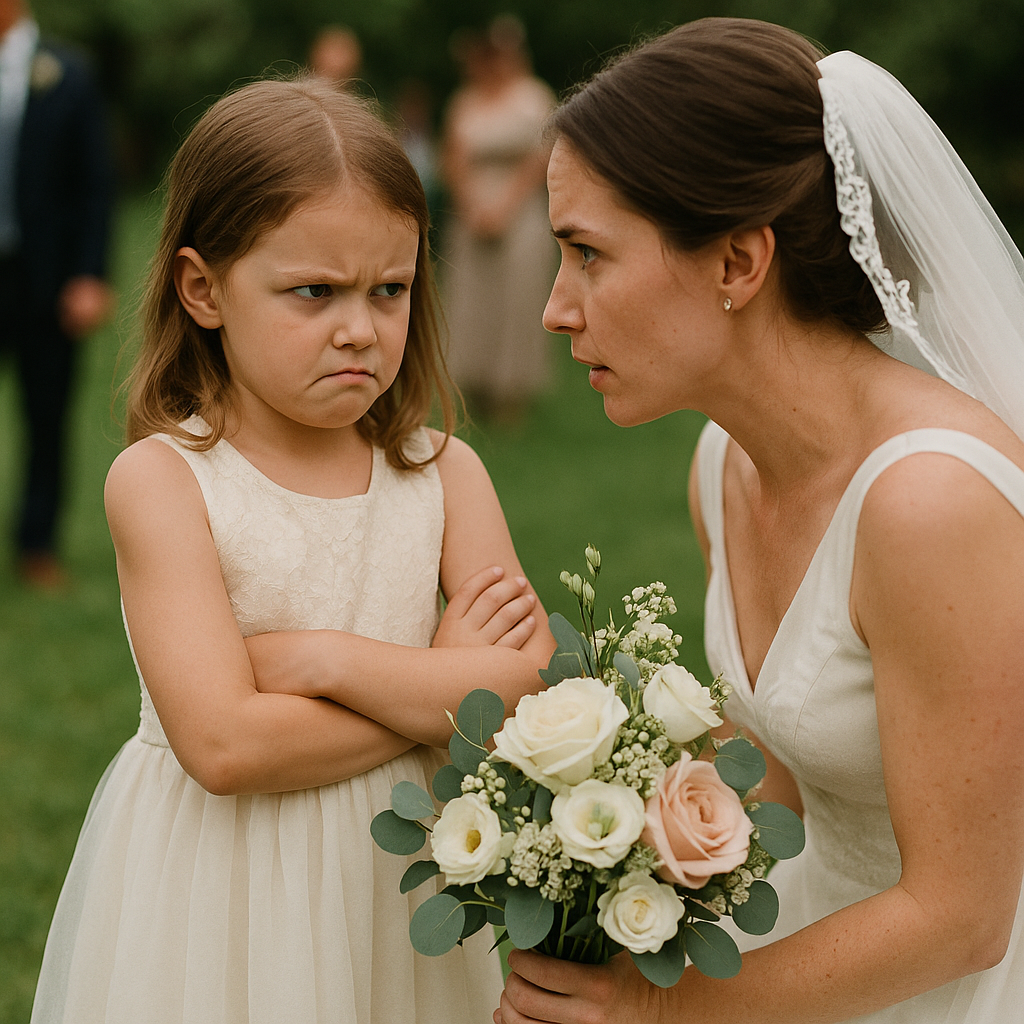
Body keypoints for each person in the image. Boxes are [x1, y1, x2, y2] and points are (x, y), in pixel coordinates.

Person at [496, 17, 1024, 1024]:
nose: (556, 309)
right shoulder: (723, 464)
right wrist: (592, 873)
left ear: (738, 261)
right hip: (821, 942)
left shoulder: (930, 503)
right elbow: (777, 788)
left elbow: (965, 913)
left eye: (588, 255)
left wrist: (655, 1012)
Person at [30, 76, 554, 1023]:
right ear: (203, 289)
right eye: (313, 292)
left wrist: (328, 662)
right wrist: (437, 691)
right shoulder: (164, 482)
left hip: (406, 882)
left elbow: (522, 690)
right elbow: (225, 745)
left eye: (388, 290)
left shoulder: (446, 474)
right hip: (220, 892)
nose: (359, 328)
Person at [0, 0, 114, 590]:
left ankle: (36, 544)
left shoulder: (68, 73)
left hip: (44, 277)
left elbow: (94, 185)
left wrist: (89, 275)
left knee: (46, 413)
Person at [440, 15, 556, 423]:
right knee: (472, 298)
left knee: (517, 297)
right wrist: (472, 205)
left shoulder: (533, 98)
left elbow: (538, 158)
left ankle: (512, 392)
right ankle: (473, 385)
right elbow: (452, 155)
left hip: (519, 212)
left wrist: (504, 207)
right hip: (473, 212)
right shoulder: (465, 101)